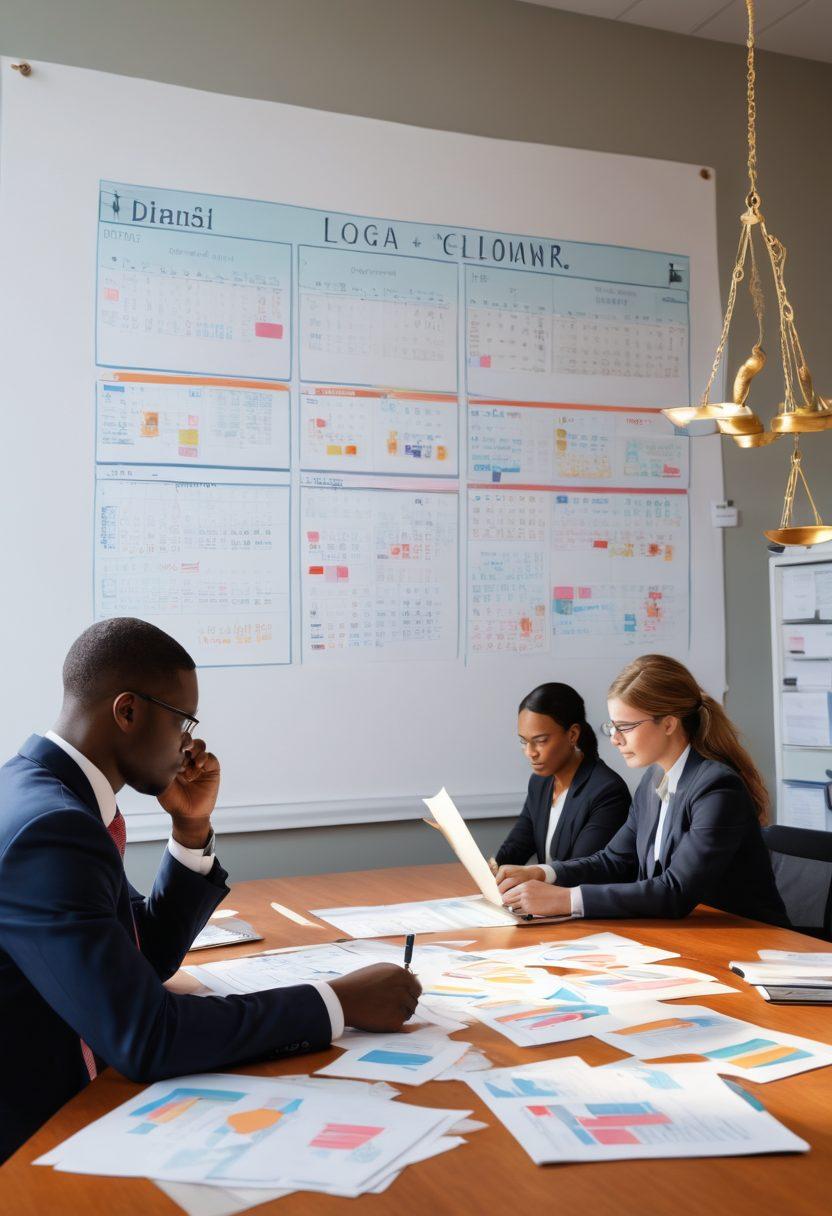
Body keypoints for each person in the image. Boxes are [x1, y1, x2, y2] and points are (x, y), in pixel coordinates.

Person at [0, 618, 421, 1163]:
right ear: (127, 711)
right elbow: (147, 1038)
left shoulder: (44, 794)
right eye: (182, 720)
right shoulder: (53, 830)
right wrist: (338, 1002)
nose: (189, 743)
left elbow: (141, 957)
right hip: (34, 1136)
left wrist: (191, 831)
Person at [498, 654, 788, 927]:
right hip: (689, 936)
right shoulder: (653, 781)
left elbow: (675, 891)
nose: (615, 740)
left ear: (669, 724)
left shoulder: (717, 788)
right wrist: (543, 873)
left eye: (625, 727)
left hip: (750, 943)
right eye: (612, 727)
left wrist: (567, 899)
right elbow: (613, 860)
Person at [493, 682, 629, 893]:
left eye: (540, 741)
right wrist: (495, 866)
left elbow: (582, 870)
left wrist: (534, 875)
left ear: (572, 735)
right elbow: (518, 845)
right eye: (523, 741)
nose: (530, 752)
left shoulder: (607, 790)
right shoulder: (540, 782)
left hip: (586, 909)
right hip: (548, 905)